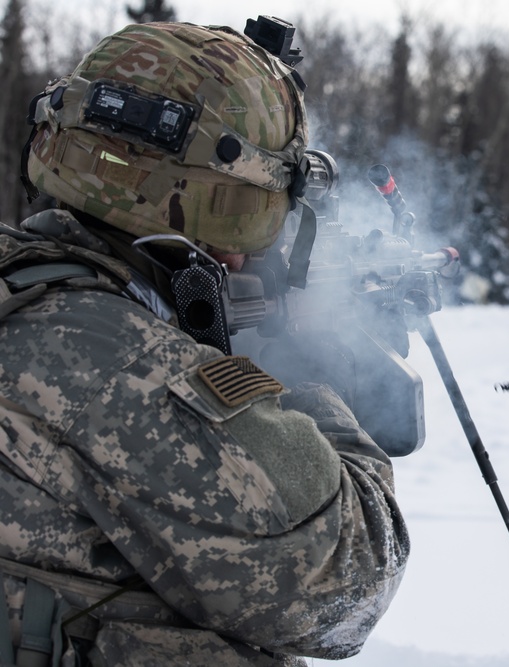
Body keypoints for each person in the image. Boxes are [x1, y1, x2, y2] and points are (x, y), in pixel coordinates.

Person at [0, 18, 409, 667]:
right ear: (229, 202)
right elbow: (344, 590)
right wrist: (311, 390)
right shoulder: (119, 364)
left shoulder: (23, 288)